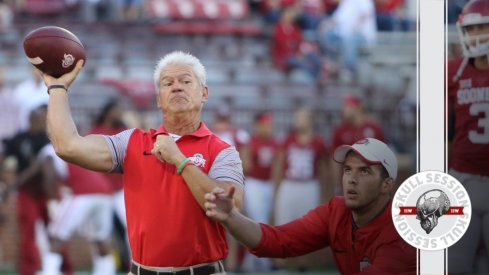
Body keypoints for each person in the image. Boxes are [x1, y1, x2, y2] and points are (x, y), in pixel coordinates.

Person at [41, 51, 244, 274]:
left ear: (204, 93)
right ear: (158, 99)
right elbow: (67, 146)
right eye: (168, 83)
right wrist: (57, 89)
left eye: (186, 81)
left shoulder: (222, 151)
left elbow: (229, 206)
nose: (177, 87)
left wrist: (178, 159)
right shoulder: (132, 142)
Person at [205, 138, 416, 275]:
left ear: (387, 185)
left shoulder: (401, 234)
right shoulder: (337, 210)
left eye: (364, 171)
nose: (351, 179)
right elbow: (277, 240)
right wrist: (231, 217)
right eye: (348, 170)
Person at [447, 0, 489, 273]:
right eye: (470, 29)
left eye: (481, 28)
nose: (475, 35)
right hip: (461, 179)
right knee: (456, 266)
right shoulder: (452, 72)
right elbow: (443, 130)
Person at [39, 143, 116, 275]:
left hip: (81, 193)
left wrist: (52, 201)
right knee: (100, 237)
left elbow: (49, 178)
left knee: (57, 234)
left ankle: (49, 271)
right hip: (105, 193)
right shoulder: (78, 144)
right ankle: (107, 271)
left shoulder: (50, 150)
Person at [240, 111, 279, 272]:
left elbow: (278, 166)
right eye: (265, 124)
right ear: (258, 125)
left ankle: (252, 260)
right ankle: (261, 260)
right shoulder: (251, 142)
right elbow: (246, 166)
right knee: (259, 221)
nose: (268, 127)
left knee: (265, 222)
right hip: (254, 183)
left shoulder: (274, 143)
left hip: (268, 183)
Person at [331, 94, 386, 194]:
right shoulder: (340, 130)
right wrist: (337, 184)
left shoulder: (374, 129)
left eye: (348, 107)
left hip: (369, 180)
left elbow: (383, 156)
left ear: (358, 107)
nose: (344, 110)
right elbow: (335, 160)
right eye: (343, 107)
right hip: (349, 180)